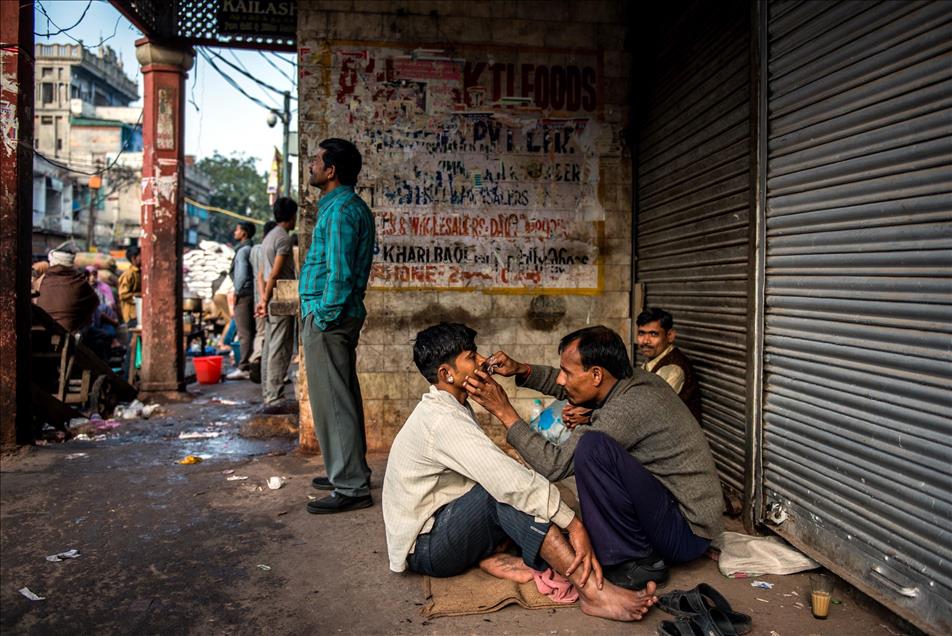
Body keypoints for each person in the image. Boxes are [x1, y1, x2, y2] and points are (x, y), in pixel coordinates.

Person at [382, 323, 657, 622]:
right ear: (447, 374)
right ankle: (593, 592)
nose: (483, 360)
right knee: (506, 492)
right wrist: (574, 524)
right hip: (426, 547)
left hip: (447, 519)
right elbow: (506, 482)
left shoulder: (450, 406)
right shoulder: (441, 420)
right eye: (472, 357)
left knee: (525, 491)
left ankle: (491, 554)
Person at [463, 325, 723, 591]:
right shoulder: (628, 380)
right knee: (593, 449)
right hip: (676, 512)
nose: (561, 380)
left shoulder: (629, 407)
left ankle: (636, 561)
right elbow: (573, 388)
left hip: (687, 533)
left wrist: (505, 412)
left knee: (592, 448)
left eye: (566, 372)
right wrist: (523, 370)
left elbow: (554, 464)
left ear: (597, 374)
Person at [299, 138, 376, 514]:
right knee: (340, 396)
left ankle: (351, 486)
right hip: (333, 316)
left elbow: (340, 274)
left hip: (330, 318)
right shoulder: (342, 207)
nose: (311, 165)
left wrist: (323, 316)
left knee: (332, 400)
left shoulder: (342, 211)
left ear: (331, 171)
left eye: (316, 160)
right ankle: (348, 471)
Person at [256, 197, 298, 408]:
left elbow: (261, 274)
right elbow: (274, 273)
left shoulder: (268, 237)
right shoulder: (283, 238)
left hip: (269, 296)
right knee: (279, 347)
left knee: (270, 345)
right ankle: (274, 396)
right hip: (280, 296)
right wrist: (265, 299)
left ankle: (268, 393)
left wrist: (263, 299)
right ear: (292, 216)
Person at [636, 307, 702, 422]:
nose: (645, 341)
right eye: (641, 333)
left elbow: (650, 411)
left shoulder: (673, 369)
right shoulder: (652, 361)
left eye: (653, 334)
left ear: (670, 336)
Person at [35, 244, 98, 332]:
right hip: (69, 332)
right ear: (71, 263)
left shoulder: (42, 280)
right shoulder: (79, 280)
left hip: (43, 332)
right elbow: (95, 302)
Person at [225, 221, 257, 380]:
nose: (234, 232)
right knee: (252, 331)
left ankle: (244, 366)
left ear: (244, 233)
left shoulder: (243, 250)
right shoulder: (253, 248)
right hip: (252, 292)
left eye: (237, 230)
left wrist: (236, 292)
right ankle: (252, 364)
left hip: (244, 293)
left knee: (244, 332)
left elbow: (242, 274)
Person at [249, 220, 277, 384]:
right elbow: (269, 275)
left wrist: (260, 299)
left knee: (260, 333)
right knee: (273, 336)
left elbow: (258, 276)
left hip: (257, 297)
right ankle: (271, 373)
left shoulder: (255, 250)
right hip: (269, 297)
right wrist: (265, 299)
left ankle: (256, 358)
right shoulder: (272, 248)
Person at [117, 245, 141, 326]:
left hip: (138, 312)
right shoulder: (128, 275)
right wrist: (139, 295)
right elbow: (123, 295)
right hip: (132, 315)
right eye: (140, 255)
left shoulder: (139, 272)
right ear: (134, 258)